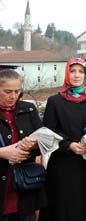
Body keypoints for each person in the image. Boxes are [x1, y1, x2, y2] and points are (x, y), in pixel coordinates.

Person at [40, 58, 86, 221]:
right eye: (72, 71)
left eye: (81, 71)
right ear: (67, 73)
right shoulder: (55, 101)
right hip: (64, 164)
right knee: (65, 206)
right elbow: (48, 131)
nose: (77, 75)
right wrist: (69, 145)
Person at [0, 69, 46, 221]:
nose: (13, 96)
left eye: (17, 91)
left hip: (24, 185)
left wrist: (33, 145)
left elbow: (43, 140)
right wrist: (2, 152)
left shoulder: (28, 109)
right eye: (7, 91)